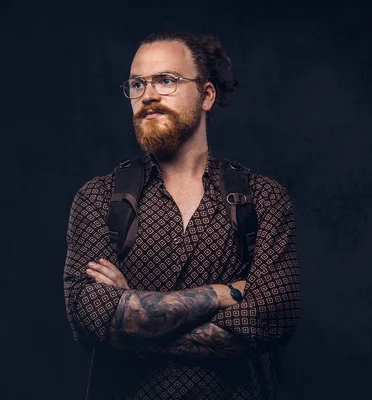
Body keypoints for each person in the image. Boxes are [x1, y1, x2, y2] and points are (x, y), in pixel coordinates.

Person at [63, 30, 301, 400]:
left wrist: (135, 320)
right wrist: (221, 294)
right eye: (137, 84)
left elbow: (269, 319)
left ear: (206, 95)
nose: (149, 95)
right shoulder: (98, 198)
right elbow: (91, 317)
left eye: (166, 80)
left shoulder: (263, 197)